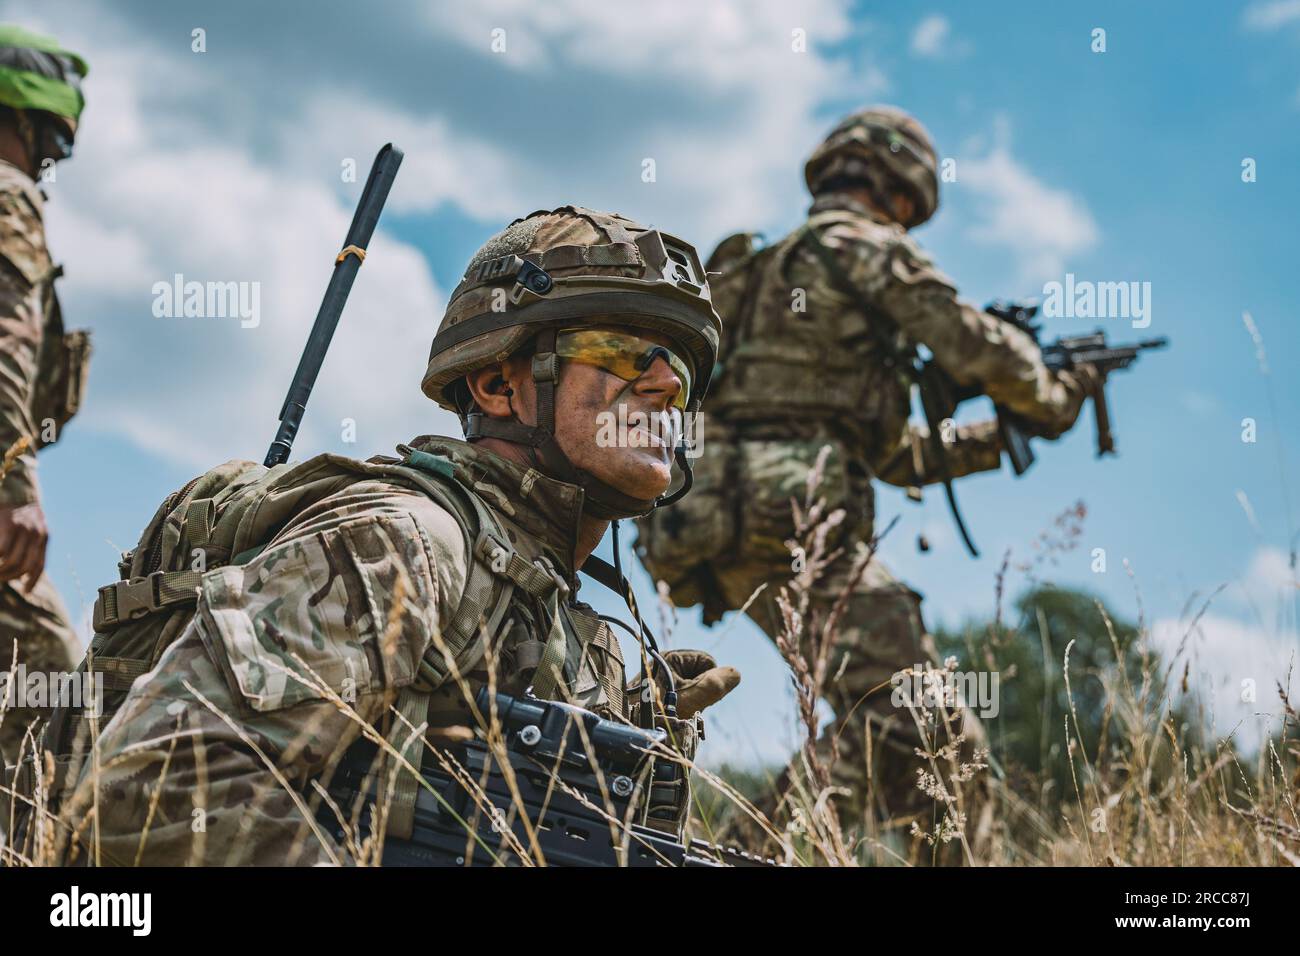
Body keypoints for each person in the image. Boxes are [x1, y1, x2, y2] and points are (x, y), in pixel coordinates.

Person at [52, 205, 740, 866]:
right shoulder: (405, 542)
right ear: (500, 383)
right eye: (622, 354)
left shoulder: (564, 616)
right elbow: (148, 796)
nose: (663, 386)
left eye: (679, 373)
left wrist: (641, 709)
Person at [636, 106, 1099, 831]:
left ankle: (761, 841)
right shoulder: (859, 244)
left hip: (700, 520)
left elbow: (896, 456)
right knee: (922, 715)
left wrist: (1002, 433)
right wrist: (1049, 393)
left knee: (923, 732)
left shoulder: (756, 271)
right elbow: (973, 343)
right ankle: (744, 849)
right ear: (903, 193)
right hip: (793, 514)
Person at [0, 26, 91, 768]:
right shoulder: (7, 196)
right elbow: (4, 342)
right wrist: (12, 482)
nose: (44, 166)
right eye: (47, 148)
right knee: (50, 670)